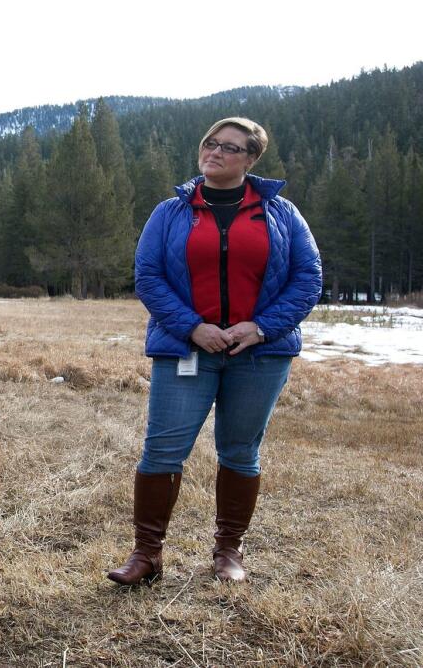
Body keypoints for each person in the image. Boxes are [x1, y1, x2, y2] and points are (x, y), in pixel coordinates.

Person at [108, 117, 321, 586]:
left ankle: (228, 553)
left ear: (250, 159)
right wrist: (192, 327)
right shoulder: (170, 211)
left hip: (259, 354)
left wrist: (262, 328)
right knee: (162, 450)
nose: (215, 152)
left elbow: (308, 279)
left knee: (241, 452)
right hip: (187, 349)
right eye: (210, 143)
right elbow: (148, 276)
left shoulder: (281, 214)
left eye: (229, 147)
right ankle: (146, 556)